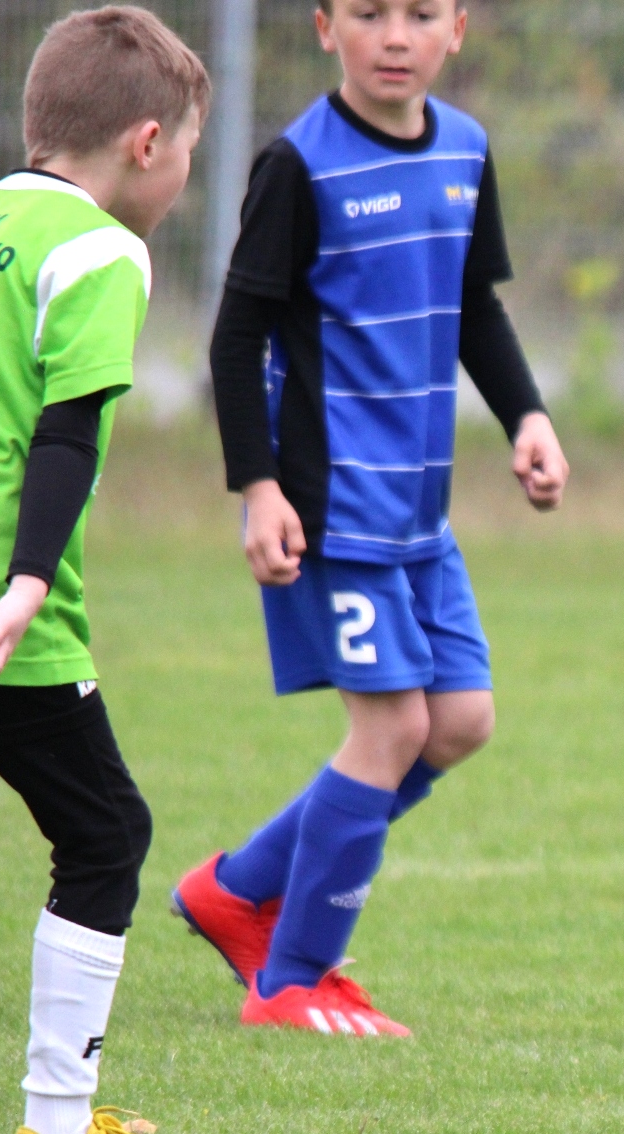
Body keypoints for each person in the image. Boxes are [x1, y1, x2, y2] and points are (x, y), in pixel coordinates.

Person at [172, 0, 566, 1037]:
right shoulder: (298, 166)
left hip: (420, 515)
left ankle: (236, 890)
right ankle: (292, 981)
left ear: (458, 29)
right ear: (324, 27)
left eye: (420, 13)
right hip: (331, 509)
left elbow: (473, 307)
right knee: (390, 728)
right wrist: (258, 489)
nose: (396, 35)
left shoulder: (465, 150)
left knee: (460, 721)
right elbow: (235, 336)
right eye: (369, 12)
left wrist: (526, 416)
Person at [0, 6, 207, 1134]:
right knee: (105, 833)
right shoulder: (101, 253)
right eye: (188, 153)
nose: (183, 179)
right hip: (15, 615)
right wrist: (28, 581)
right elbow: (66, 432)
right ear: (146, 143)